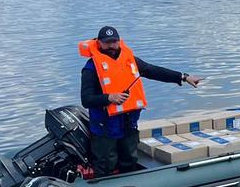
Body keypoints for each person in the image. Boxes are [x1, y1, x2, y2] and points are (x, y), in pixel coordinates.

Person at [79, 26, 202, 177]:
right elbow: (86, 99)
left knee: (129, 160)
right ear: (99, 43)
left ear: (119, 41)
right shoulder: (91, 68)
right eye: (107, 42)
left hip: (128, 124)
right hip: (104, 128)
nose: (111, 46)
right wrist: (109, 98)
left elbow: (153, 71)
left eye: (114, 41)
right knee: (106, 163)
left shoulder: (130, 60)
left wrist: (183, 77)